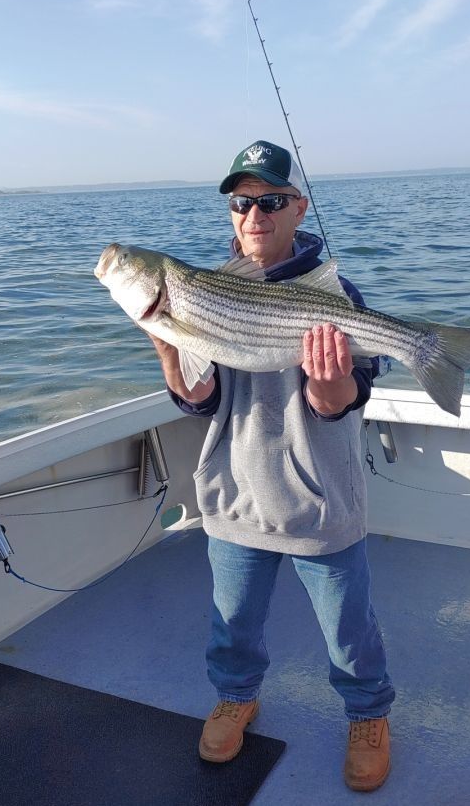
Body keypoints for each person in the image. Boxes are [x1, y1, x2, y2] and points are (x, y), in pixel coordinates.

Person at [147, 139, 394, 793]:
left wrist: (326, 384)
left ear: (297, 207)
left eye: (269, 201)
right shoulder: (207, 291)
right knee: (233, 625)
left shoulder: (335, 291)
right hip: (234, 495)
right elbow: (201, 400)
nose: (253, 215)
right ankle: (236, 698)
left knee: (349, 631)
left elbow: (346, 400)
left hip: (320, 502)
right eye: (240, 204)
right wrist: (171, 353)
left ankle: (368, 714)